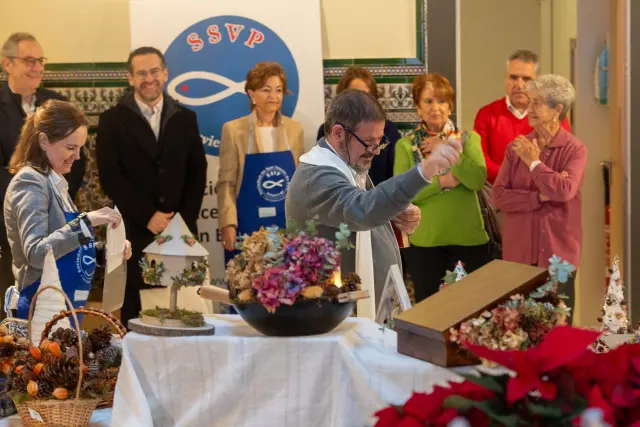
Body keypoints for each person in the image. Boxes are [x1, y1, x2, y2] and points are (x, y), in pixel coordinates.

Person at [285, 90, 463, 313]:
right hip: (332, 314)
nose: (377, 151)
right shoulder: (316, 177)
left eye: (380, 142)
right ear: (338, 133)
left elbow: (357, 210)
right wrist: (425, 170)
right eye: (369, 142)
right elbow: (363, 210)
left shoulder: (347, 162)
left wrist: (393, 213)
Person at [97, 47, 207, 325]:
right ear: (130, 78)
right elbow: (110, 176)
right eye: (142, 73)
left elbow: (197, 172)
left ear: (165, 73)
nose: (149, 79)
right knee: (137, 316)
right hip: (135, 233)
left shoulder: (186, 118)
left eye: (155, 71)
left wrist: (180, 221)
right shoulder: (111, 121)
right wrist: (148, 216)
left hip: (178, 230)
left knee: (182, 312)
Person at [3, 99, 131, 320]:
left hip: (66, 308)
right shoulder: (30, 182)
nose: (77, 156)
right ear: (43, 141)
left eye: (80, 148)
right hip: (39, 310)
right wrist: (86, 222)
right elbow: (37, 253)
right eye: (71, 148)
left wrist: (107, 251)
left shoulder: (57, 183)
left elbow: (65, 245)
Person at [0, 32, 86, 315]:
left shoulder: (55, 102)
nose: (37, 67)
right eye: (29, 60)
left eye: (40, 60)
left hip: (54, 220)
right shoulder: (28, 181)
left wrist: (56, 192)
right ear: (7, 63)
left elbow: (78, 162)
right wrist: (33, 190)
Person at [493, 74, 585, 319]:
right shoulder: (516, 148)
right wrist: (539, 198)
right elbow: (499, 197)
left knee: (558, 328)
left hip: (559, 258)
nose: (529, 108)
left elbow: (564, 191)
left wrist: (534, 163)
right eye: (530, 101)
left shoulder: (575, 150)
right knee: (519, 329)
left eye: (537, 103)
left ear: (557, 110)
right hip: (518, 256)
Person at [394, 73, 489, 302]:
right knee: (429, 312)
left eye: (442, 101)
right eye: (428, 101)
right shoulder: (405, 146)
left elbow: (477, 179)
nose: (435, 107)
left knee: (468, 309)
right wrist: (443, 182)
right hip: (425, 243)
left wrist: (444, 148)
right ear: (418, 108)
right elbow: (402, 193)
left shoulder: (468, 139)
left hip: (468, 240)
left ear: (450, 107)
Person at [217, 62, 304, 259]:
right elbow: (226, 183)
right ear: (251, 94)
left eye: (278, 90)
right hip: (248, 226)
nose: (274, 96)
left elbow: (301, 181)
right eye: (266, 90)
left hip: (286, 226)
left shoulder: (295, 129)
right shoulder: (234, 130)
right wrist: (228, 223)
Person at [474, 50, 570, 184]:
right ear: (505, 78)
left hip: (543, 194)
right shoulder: (486, 114)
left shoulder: (554, 115)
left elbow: (563, 160)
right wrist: (519, 179)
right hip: (499, 193)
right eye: (513, 77)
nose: (519, 85)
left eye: (526, 79)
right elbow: (480, 162)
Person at [316, 66, 401, 186]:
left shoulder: (389, 131)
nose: (361, 104)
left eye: (367, 96)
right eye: (355, 97)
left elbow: (394, 181)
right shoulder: (327, 130)